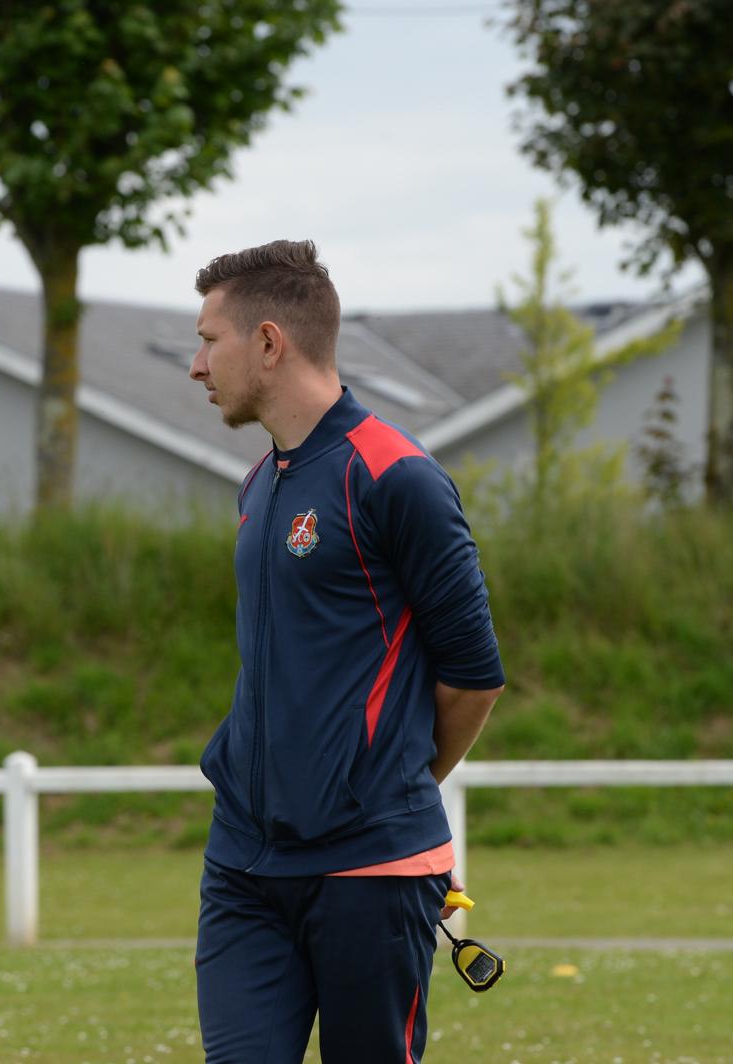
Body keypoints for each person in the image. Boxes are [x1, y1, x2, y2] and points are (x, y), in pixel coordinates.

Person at [188, 239, 505, 1063]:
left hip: (372, 869)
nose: (196, 365)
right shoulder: (260, 484)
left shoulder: (399, 476)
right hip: (244, 865)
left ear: (267, 342)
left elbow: (474, 677)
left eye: (209, 339)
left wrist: (387, 786)